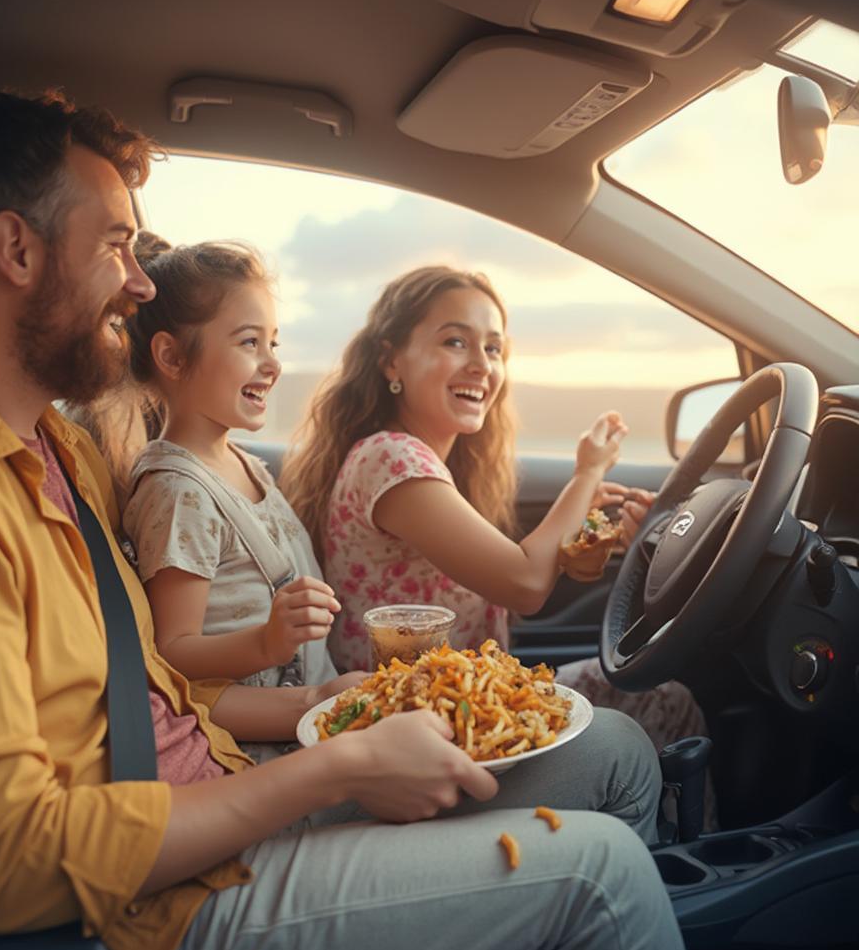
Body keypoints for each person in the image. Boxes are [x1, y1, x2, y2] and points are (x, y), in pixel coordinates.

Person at [0, 91, 689, 950]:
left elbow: (153, 680)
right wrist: (330, 770)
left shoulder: (54, 450)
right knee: (603, 870)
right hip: (157, 909)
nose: (138, 281)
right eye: (116, 245)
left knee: (615, 755)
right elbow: (5, 861)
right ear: (17, 249)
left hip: (229, 793)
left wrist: (337, 713)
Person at [281, 265, 709, 757]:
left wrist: (587, 531)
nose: (482, 365)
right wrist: (587, 471)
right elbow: (524, 584)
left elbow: (524, 572)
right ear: (391, 361)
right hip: (418, 727)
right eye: (455, 342)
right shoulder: (393, 458)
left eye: (493, 349)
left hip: (464, 706)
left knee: (651, 688)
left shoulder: (423, 463)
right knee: (667, 701)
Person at [94, 237, 357, 763]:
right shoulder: (178, 491)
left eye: (273, 344)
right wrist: (267, 642)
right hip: (260, 757)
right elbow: (172, 653)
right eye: (248, 343)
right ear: (170, 355)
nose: (272, 364)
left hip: (317, 731)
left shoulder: (245, 464)